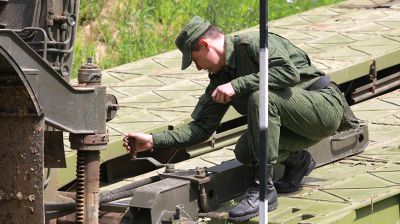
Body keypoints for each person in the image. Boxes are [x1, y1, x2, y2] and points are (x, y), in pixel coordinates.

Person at [123, 16, 354, 222]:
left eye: (195, 60)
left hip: (323, 107)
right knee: (245, 151)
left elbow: (288, 73)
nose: (197, 68)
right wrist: (153, 140)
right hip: (293, 124)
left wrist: (238, 85)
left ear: (205, 45)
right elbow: (201, 128)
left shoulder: (254, 44)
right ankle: (298, 161)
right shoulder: (220, 78)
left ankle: (263, 188)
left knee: (259, 97)